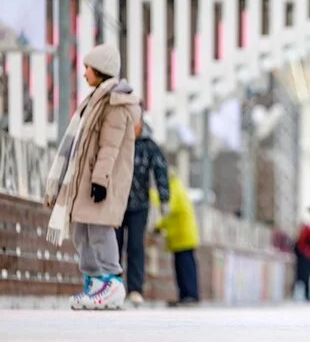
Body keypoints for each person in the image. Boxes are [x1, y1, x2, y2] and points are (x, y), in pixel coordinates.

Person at [43, 43, 141, 310]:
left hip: (98, 181)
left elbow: (110, 147)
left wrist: (100, 180)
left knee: (99, 230)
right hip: (83, 181)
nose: (84, 73)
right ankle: (96, 282)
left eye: (88, 68)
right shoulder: (94, 101)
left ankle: (113, 281)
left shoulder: (115, 103)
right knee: (81, 232)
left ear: (100, 71)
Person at [116, 116, 170, 306]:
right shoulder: (118, 141)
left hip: (140, 205)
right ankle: (114, 285)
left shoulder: (149, 146)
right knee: (115, 244)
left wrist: (164, 198)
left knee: (135, 246)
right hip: (117, 202)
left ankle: (135, 289)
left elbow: (160, 170)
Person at [150, 171, 200, 307]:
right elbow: (169, 216)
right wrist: (159, 226)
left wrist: (149, 193)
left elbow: (168, 205)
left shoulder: (174, 187)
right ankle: (185, 296)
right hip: (181, 238)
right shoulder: (176, 186)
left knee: (186, 268)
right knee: (181, 268)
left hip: (183, 237)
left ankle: (190, 295)